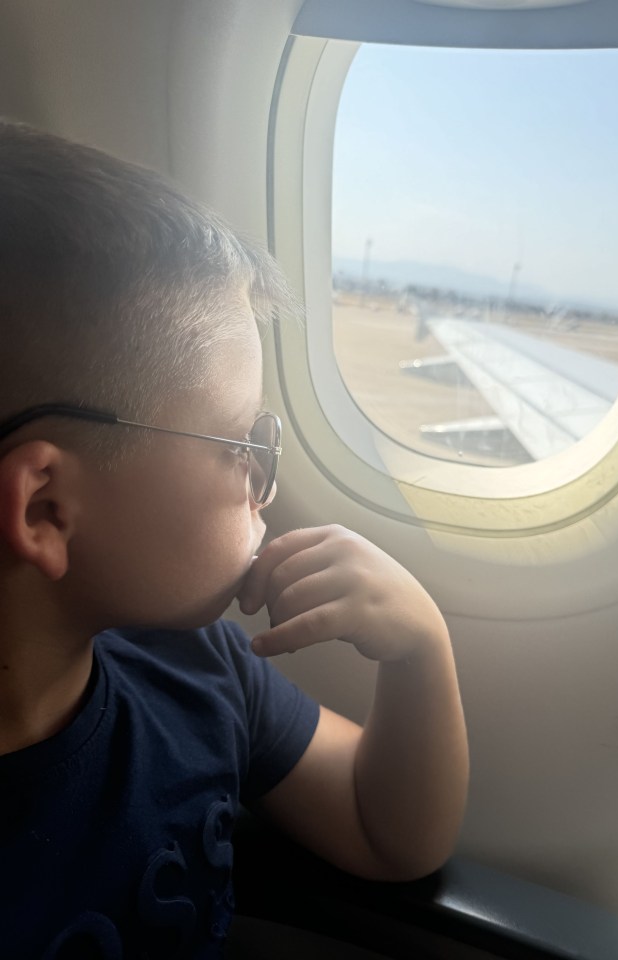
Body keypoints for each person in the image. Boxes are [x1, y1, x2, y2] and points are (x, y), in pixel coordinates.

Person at [0, 120, 469, 958]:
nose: (267, 479)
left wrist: (419, 651)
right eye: (237, 446)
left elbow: (387, 830)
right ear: (46, 512)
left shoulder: (198, 666)